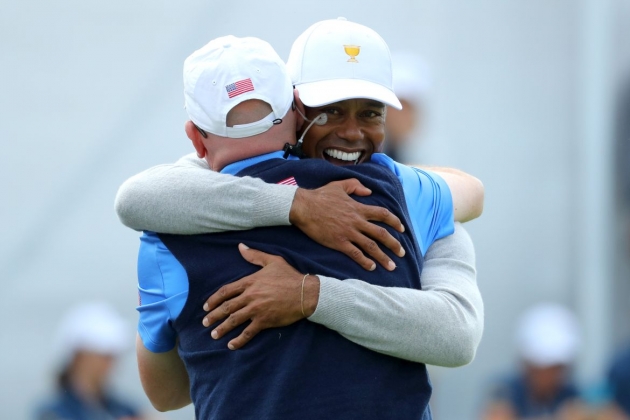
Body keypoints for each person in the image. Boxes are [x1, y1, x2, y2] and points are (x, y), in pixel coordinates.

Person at [130, 28, 481, 419]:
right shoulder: (396, 191)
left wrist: (311, 296)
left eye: (369, 113)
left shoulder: (169, 230)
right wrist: (296, 204)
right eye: (330, 111)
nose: (350, 132)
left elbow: (167, 394)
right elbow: (470, 194)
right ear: (296, 111)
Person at [34, 302, 145, 420]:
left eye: (113, 355)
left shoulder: (126, 408)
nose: (110, 362)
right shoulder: (51, 413)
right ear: (79, 357)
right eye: (104, 355)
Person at [481, 303, 590, 420]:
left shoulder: (571, 394)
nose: (550, 375)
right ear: (527, 365)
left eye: (556, 367)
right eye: (543, 366)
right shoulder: (504, 390)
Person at [384, 50, 431, 163]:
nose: (405, 117)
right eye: (400, 107)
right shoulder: (373, 161)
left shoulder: (401, 156)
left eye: (410, 109)